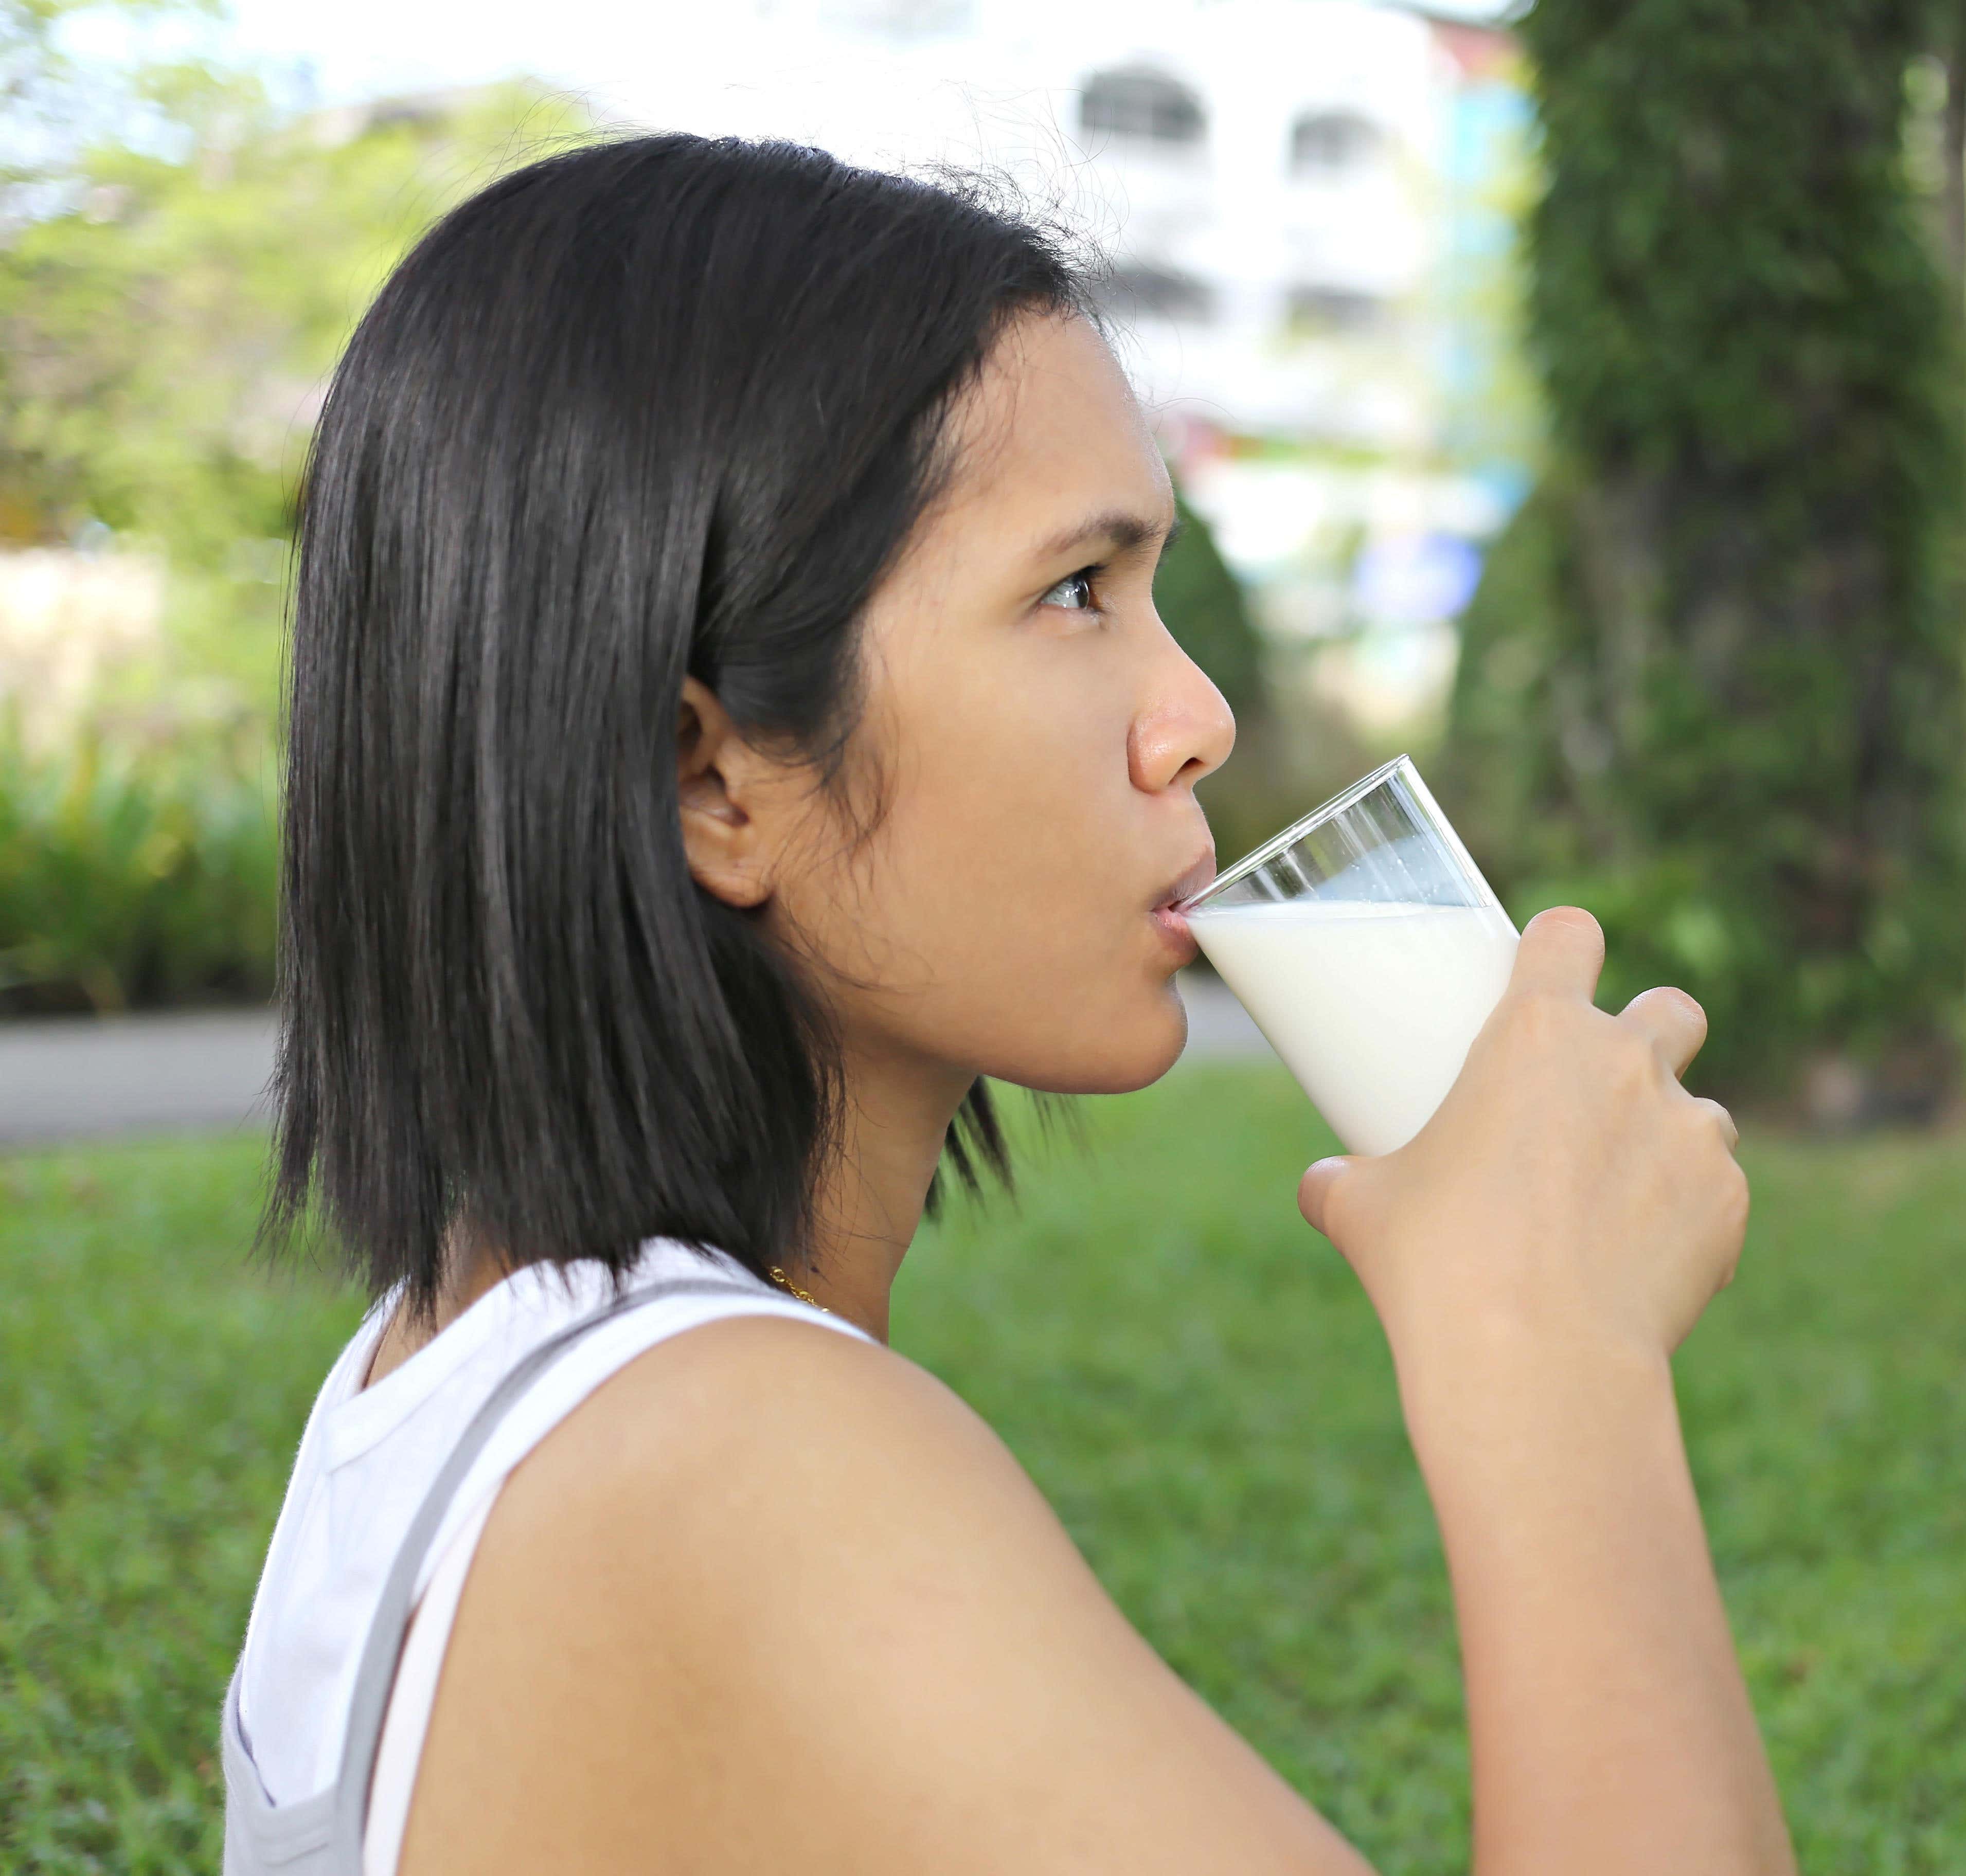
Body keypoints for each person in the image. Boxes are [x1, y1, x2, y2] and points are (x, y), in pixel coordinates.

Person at [223, 133, 1786, 1876]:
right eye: (1072, 593)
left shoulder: (448, 1360)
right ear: (713, 780)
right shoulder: (745, 1466)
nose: (1195, 714)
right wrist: (1549, 1355)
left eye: (1153, 590)